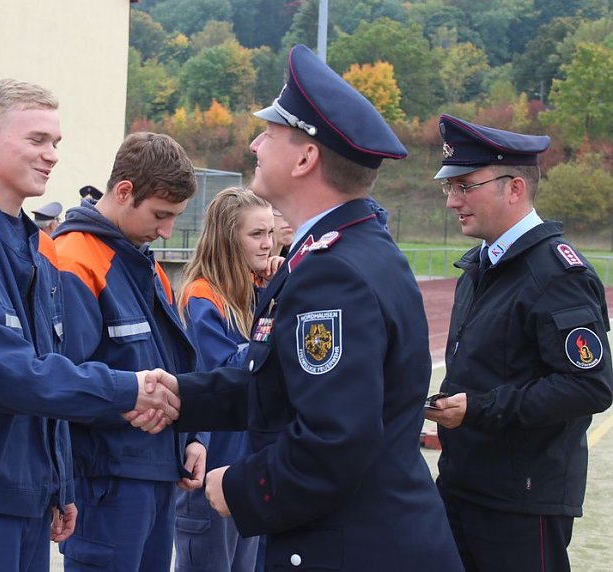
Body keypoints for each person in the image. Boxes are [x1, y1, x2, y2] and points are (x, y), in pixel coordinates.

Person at [131, 44, 463, 570]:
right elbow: (278, 382)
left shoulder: (333, 272)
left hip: (352, 547)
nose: (255, 144)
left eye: (270, 133)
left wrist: (239, 487)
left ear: (306, 158)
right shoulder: (352, 250)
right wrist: (182, 395)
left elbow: (335, 438)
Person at [0, 80, 180, 571]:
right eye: (37, 140)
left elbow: (52, 367)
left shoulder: (40, 247)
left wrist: (60, 482)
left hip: (30, 499)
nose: (52, 154)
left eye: (56, 142)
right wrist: (125, 389)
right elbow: (4, 373)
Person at [426, 114, 613, 571]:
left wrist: (480, 408)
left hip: (520, 501)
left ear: (514, 188)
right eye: (449, 187)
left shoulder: (555, 273)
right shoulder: (483, 264)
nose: (452, 202)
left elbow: (589, 386)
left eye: (465, 186)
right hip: (464, 482)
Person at [53, 132, 203, 572]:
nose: (167, 229)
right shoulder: (73, 260)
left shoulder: (146, 264)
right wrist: (125, 401)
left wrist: (192, 438)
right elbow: (60, 380)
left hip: (157, 472)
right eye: (161, 214)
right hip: (107, 481)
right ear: (124, 192)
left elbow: (175, 363)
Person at [174, 187, 279, 572]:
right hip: (210, 471)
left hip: (246, 469)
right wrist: (279, 314)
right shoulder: (202, 297)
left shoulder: (253, 291)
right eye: (256, 234)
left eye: (270, 233)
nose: (268, 244)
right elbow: (232, 370)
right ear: (227, 238)